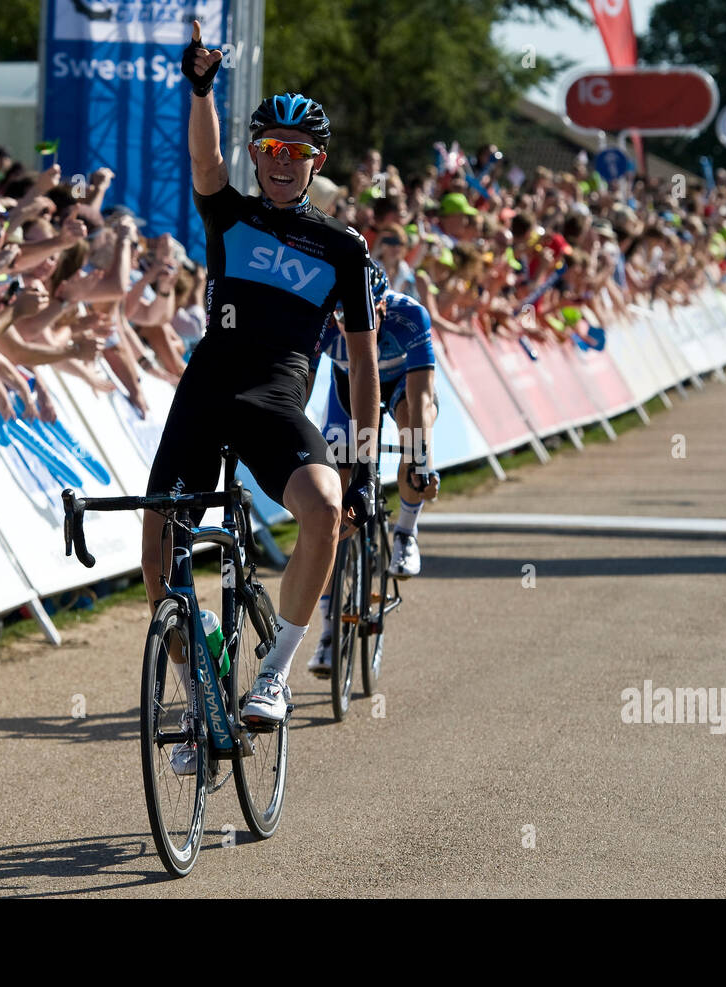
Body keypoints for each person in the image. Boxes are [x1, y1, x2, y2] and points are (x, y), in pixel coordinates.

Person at [145, 21, 379, 760]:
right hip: (207, 388)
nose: (282, 164)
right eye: (270, 150)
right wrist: (202, 87)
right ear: (257, 155)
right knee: (156, 555)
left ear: (317, 162)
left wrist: (363, 458)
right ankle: (199, 699)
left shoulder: (343, 248)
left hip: (276, 398)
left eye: (297, 153)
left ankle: (274, 674)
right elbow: (203, 158)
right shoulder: (230, 212)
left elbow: (364, 361)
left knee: (326, 510)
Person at [305, 261, 441, 676]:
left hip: (403, 384)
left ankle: (406, 531)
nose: (351, 325)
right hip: (350, 388)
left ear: (382, 306)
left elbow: (419, 399)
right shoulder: (322, 323)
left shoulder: (410, 316)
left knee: (415, 431)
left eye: (364, 313)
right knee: (333, 504)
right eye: (344, 318)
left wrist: (417, 458)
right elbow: (302, 385)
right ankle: (328, 631)